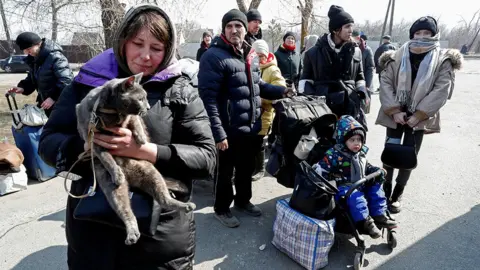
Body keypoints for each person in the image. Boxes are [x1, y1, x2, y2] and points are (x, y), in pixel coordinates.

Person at [38, 4, 216, 269]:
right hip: (92, 232)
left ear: (167, 50)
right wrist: (85, 145)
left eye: (156, 48)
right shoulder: (87, 83)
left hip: (160, 239)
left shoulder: (181, 91)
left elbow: (207, 158)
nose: (146, 56)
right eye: (138, 44)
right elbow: (48, 143)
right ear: (123, 42)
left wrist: (144, 151)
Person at [198, 9, 293, 228]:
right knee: (225, 172)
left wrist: (282, 91)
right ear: (224, 29)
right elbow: (208, 99)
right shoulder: (213, 56)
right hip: (228, 129)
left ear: (244, 28)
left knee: (245, 168)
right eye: (229, 26)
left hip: (250, 126)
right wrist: (218, 133)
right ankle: (222, 209)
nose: (234, 30)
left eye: (238, 26)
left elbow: (256, 86)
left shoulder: (249, 54)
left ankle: (243, 201)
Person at [376, 16, 463, 213]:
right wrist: (395, 110)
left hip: (420, 118)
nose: (422, 37)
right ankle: (384, 189)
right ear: (412, 35)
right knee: (389, 153)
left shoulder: (443, 60)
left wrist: (419, 114)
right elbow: (386, 83)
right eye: (418, 33)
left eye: (427, 33)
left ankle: (398, 193)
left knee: (409, 155)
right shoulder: (395, 56)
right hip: (394, 115)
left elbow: (441, 90)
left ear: (434, 35)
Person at [313, 115, 396, 238]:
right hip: (344, 188)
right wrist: (322, 176)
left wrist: (377, 171)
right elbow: (321, 168)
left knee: (376, 188)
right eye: (352, 140)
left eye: (359, 140)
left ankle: (380, 214)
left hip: (360, 183)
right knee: (356, 197)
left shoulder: (360, 153)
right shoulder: (335, 154)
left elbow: (366, 167)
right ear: (343, 140)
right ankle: (366, 222)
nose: (357, 143)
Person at [300, 5, 368, 129]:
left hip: (350, 106)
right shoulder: (313, 53)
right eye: (347, 26)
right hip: (323, 110)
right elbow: (305, 81)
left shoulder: (356, 51)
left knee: (350, 146)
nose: (351, 30)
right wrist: (315, 100)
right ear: (336, 30)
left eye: (352, 26)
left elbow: (360, 77)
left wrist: (361, 93)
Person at [7, 32, 73, 117]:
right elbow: (33, 79)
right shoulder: (36, 58)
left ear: (38, 44)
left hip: (61, 105)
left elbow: (67, 80)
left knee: (58, 130)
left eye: (29, 49)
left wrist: (53, 98)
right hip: (46, 104)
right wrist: (23, 88)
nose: (27, 52)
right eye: (24, 50)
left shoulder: (55, 57)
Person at [251, 39, 286, 181]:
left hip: (265, 113)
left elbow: (278, 92)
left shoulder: (272, 69)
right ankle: (252, 166)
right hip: (251, 112)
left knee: (259, 142)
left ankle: (260, 169)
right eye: (256, 55)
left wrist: (262, 99)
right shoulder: (251, 67)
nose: (259, 58)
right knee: (251, 142)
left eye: (261, 55)